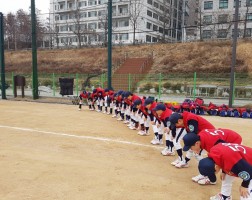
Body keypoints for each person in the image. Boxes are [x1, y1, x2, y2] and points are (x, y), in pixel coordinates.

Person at [183, 129, 242, 199]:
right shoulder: (200, 137)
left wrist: (223, 171)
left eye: (190, 147)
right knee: (210, 162)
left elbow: (225, 155)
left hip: (234, 142)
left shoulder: (213, 144)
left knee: (227, 174)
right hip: (224, 141)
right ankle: (212, 180)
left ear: (197, 143)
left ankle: (226, 196)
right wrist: (200, 149)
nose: (191, 149)